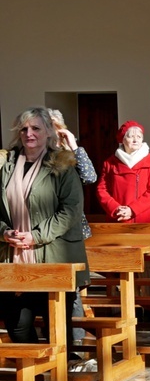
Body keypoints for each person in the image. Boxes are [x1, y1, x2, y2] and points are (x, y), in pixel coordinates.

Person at [0, 107, 90, 363]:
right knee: (17, 323)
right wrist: (4, 232)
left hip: (53, 256)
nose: (29, 133)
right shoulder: (5, 166)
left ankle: (58, 379)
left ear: (48, 132)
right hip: (12, 257)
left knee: (55, 323)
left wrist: (35, 236)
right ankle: (33, 378)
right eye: (24, 129)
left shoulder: (63, 165)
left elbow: (70, 212)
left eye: (36, 128)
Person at [49, 109, 98, 348]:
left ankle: (75, 340)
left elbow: (90, 177)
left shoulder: (72, 154)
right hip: (43, 230)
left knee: (72, 285)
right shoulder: (35, 156)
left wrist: (74, 145)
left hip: (72, 230)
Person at [96, 120, 150, 223]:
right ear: (122, 139)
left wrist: (132, 209)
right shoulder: (110, 163)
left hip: (144, 220)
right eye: (131, 136)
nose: (135, 140)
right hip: (118, 217)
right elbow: (102, 190)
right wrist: (116, 208)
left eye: (139, 137)